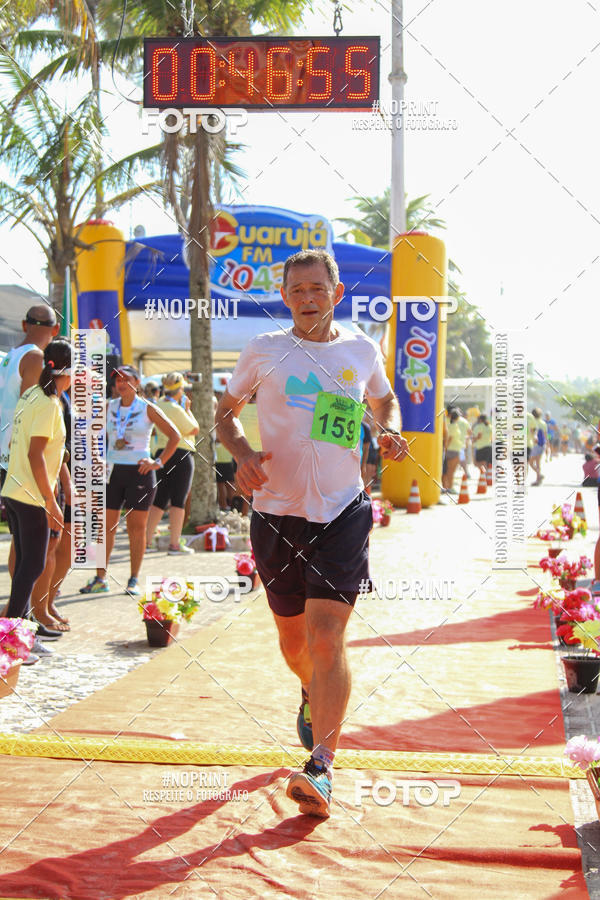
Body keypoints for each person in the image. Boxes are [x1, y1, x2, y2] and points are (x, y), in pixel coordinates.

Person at [215, 249, 408, 818]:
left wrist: (389, 430)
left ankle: (321, 768)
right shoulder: (264, 351)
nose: (306, 299)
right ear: (284, 297)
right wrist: (243, 454)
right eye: (296, 290)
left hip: (343, 510)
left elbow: (385, 398)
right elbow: (224, 413)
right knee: (295, 645)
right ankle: (309, 691)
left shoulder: (360, 349)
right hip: (276, 514)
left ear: (336, 292)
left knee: (327, 637)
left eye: (316, 288)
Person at [79, 365, 180, 597]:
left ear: (137, 381)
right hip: (112, 473)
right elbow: (89, 434)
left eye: (126, 378)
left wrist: (158, 461)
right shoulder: (108, 406)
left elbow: (175, 435)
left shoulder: (147, 408)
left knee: (136, 529)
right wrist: (96, 456)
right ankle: (100, 578)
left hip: (140, 474)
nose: (121, 383)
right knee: (105, 529)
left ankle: (133, 578)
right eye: (117, 380)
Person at [1, 339, 71, 666]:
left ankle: (23, 634)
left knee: (27, 568)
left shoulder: (30, 394)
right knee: (32, 566)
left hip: (14, 492)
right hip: (29, 495)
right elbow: (35, 455)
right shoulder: (48, 403)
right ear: (67, 372)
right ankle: (10, 644)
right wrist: (50, 501)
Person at [0, 305, 59, 596]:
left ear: (24, 325)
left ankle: (19, 621)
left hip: (7, 461)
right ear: (56, 330)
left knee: (24, 549)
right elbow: (29, 413)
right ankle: (19, 628)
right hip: (25, 463)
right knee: (33, 557)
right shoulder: (35, 357)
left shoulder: (7, 358)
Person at [145, 372, 199, 554]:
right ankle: (175, 544)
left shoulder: (157, 404)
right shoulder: (177, 409)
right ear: (179, 390)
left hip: (161, 453)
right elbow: (194, 428)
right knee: (178, 500)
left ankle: (146, 542)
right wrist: (188, 410)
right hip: (181, 454)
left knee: (159, 499)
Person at [530, 408, 547, 485]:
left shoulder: (531, 422)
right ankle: (538, 478)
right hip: (542, 444)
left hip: (534, 444)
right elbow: (546, 435)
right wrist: (548, 446)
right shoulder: (543, 423)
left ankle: (539, 476)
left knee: (530, 462)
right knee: (538, 462)